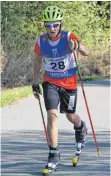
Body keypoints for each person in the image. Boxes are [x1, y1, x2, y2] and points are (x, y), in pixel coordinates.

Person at [32, 6, 89, 172]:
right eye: (48, 25)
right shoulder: (41, 41)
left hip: (69, 83)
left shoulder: (68, 37)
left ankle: (81, 127)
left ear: (60, 25)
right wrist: (35, 82)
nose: (52, 29)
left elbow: (86, 52)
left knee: (71, 115)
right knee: (52, 115)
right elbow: (37, 61)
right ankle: (53, 154)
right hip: (50, 82)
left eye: (55, 25)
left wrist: (76, 45)